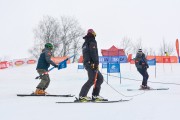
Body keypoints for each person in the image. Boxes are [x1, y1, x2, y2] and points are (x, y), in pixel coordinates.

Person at [78, 29, 106, 102]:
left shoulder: (85, 43)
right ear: (93, 34)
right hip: (91, 63)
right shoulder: (92, 41)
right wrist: (96, 62)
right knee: (92, 80)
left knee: (100, 78)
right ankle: (82, 96)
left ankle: (95, 95)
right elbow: (93, 53)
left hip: (88, 63)